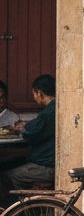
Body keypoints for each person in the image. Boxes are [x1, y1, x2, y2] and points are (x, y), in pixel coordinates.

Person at [0, 75, 56, 206]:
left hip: (46, 166)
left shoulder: (49, 111)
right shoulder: (52, 109)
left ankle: (17, 214)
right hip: (45, 162)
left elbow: (31, 131)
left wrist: (23, 126)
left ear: (39, 93)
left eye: (34, 94)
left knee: (7, 177)